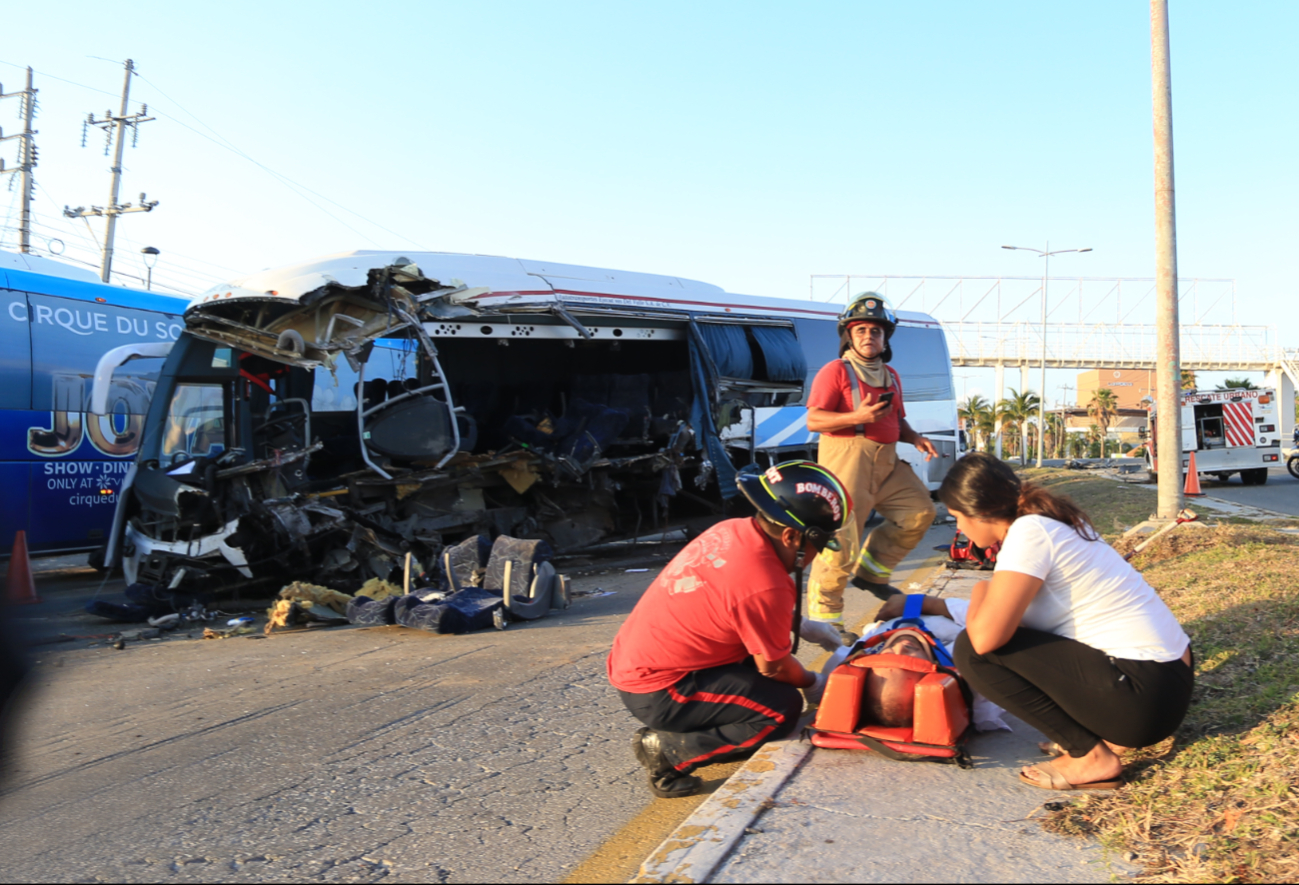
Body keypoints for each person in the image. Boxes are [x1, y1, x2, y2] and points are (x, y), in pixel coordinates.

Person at [940, 453, 1194, 791]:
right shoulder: (1050, 521)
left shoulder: (1028, 533)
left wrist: (981, 591)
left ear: (981, 512)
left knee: (971, 650)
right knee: (1007, 638)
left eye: (957, 517)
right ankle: (1103, 737)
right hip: (1165, 683)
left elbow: (984, 639)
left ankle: (1089, 756)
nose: (959, 528)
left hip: (1144, 697)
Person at [608, 460, 851, 798]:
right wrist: (813, 685)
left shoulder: (734, 531)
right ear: (792, 535)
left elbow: (740, 603)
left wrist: (804, 625)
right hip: (661, 689)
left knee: (767, 680)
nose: (816, 557)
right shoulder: (765, 582)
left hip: (640, 661)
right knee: (779, 709)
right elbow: (775, 665)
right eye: (817, 546)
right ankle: (668, 751)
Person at [805, 292, 938, 641]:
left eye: (876, 331)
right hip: (847, 460)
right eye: (861, 329)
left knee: (920, 512)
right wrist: (857, 416)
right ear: (848, 335)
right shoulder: (834, 372)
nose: (868, 336)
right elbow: (814, 420)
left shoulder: (891, 375)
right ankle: (825, 621)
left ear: (885, 338)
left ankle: (872, 574)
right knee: (839, 541)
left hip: (887, 460)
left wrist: (915, 438)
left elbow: (897, 420)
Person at [821, 592, 1009, 733]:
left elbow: (822, 687)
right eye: (909, 663)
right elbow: (995, 609)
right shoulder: (965, 659)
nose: (901, 647)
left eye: (886, 658)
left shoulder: (855, 655)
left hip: (888, 622)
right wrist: (927, 603)